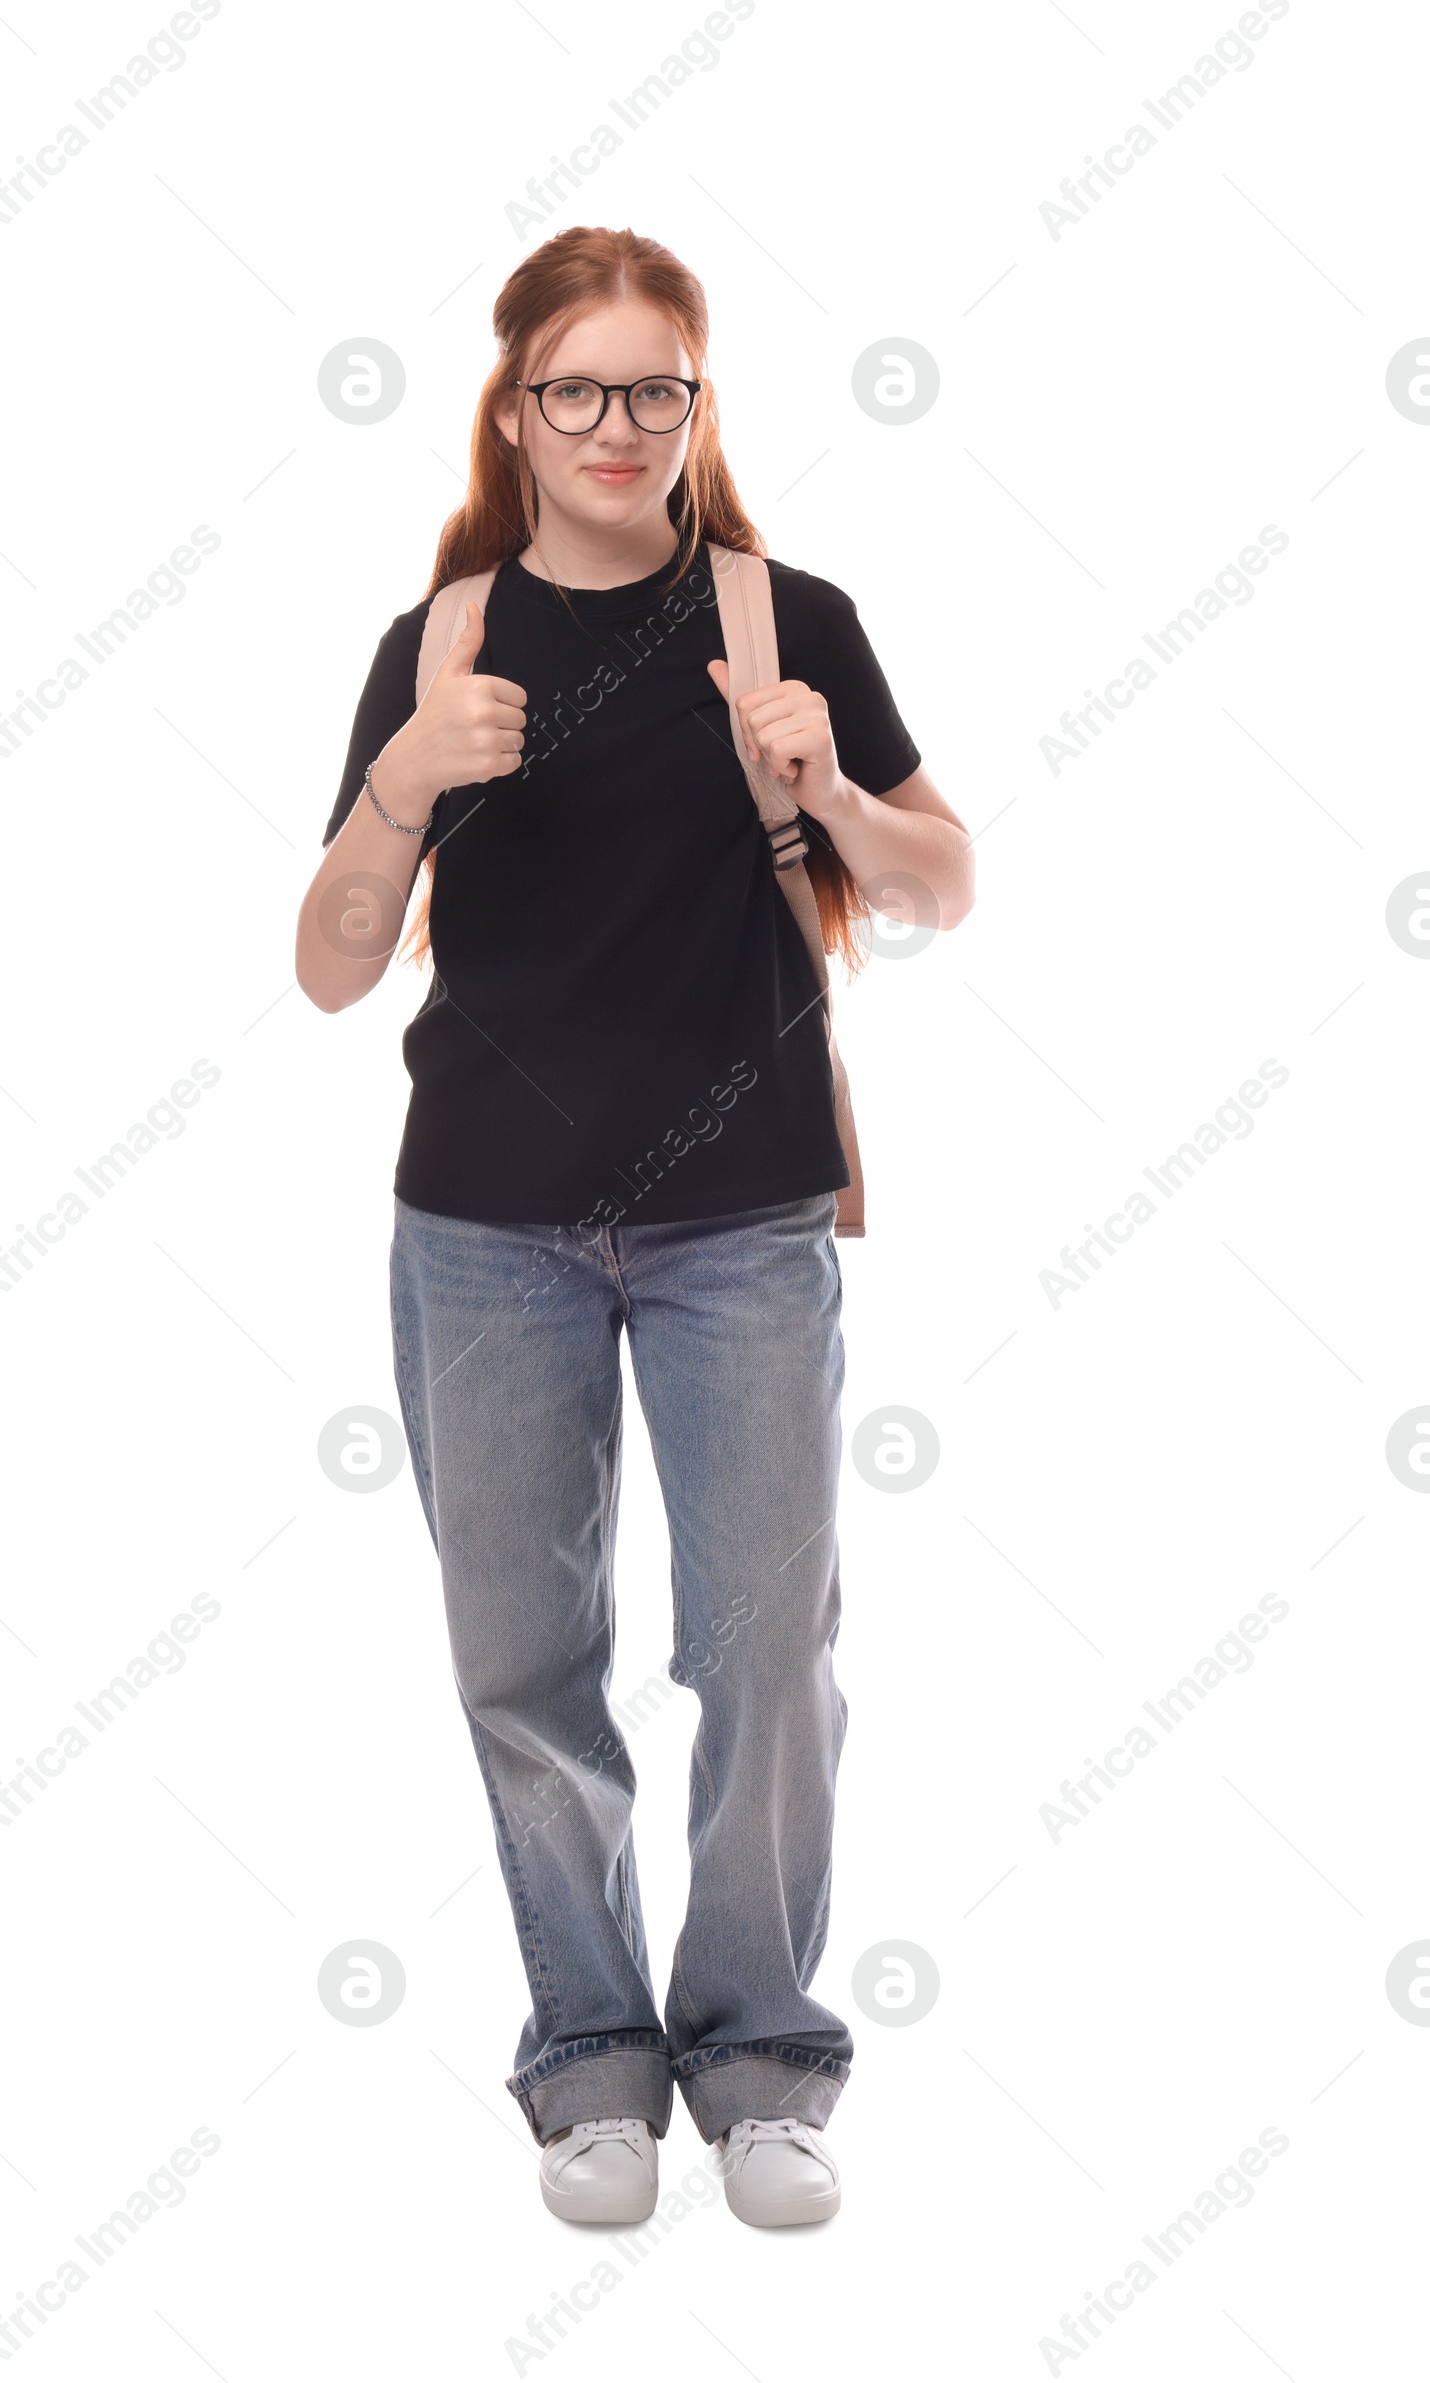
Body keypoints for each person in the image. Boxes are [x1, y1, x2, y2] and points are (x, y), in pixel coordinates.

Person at [295, 224, 974, 2228]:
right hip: (483, 1232)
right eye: (577, 391)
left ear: (696, 404)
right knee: (522, 1662)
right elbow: (333, 969)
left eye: (654, 389)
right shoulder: (436, 643)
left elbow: (943, 880)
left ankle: (757, 2059)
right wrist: (405, 786)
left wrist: (833, 795)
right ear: (514, 414)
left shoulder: (788, 621)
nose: (618, 428)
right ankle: (586, 2062)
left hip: (735, 1225)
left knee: (767, 1656)